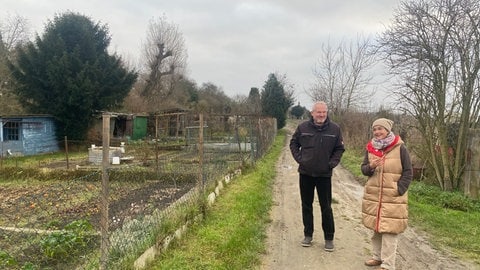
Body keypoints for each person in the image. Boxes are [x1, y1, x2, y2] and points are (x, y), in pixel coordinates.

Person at [289, 101, 345, 252]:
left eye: (324, 112)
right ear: (312, 113)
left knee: (326, 207)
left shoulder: (335, 129)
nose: (321, 115)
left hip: (324, 175)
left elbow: (339, 149)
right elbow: (293, 143)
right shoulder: (303, 128)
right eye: (318, 112)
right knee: (306, 205)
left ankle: (329, 238)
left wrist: (331, 163)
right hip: (306, 173)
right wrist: (300, 160)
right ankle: (308, 235)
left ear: (326, 113)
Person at [360, 118, 413, 270]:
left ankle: (388, 264)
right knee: (376, 228)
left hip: (393, 197)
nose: (377, 132)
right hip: (375, 195)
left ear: (388, 130)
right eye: (375, 129)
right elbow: (363, 169)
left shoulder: (400, 148)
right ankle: (377, 257)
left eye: (380, 129)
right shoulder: (370, 148)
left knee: (390, 230)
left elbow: (408, 171)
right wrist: (371, 166)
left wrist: (399, 189)